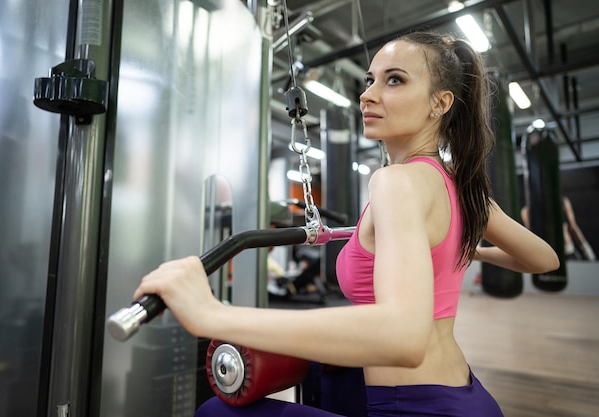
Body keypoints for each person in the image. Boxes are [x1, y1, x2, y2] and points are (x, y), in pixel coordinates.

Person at [133, 31, 560, 417]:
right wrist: (462, 246)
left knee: (214, 415)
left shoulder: (396, 182)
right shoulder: (462, 190)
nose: (368, 95)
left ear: (440, 103)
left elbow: (403, 336)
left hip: (414, 407)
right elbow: (545, 259)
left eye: (394, 80)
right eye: (370, 80)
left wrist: (213, 314)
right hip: (466, 395)